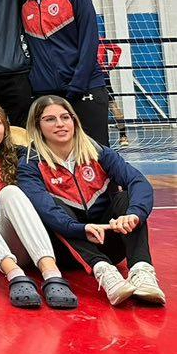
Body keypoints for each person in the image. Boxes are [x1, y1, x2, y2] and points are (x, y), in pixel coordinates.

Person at [20, 95, 164, 306]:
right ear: (37, 126)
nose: (60, 124)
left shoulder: (98, 153)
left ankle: (142, 271)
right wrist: (82, 228)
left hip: (109, 242)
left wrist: (134, 215)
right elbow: (46, 210)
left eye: (65, 117)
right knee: (53, 209)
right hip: (69, 250)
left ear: (74, 120)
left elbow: (138, 182)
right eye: (50, 119)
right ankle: (105, 273)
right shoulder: (30, 164)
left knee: (126, 198)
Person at [0, 100, 78, 309]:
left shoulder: (21, 155)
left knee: (11, 191)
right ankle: (15, 275)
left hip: (16, 244)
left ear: (6, 126)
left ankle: (52, 274)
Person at [15, 0, 108, 145]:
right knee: (54, 153)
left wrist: (78, 84)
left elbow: (90, 42)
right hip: (46, 93)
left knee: (95, 152)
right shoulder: (21, 3)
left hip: (85, 87)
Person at [97, 37, 130, 147]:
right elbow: (117, 49)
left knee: (111, 104)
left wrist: (111, 65)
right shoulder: (99, 39)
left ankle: (122, 135)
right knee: (111, 104)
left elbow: (117, 49)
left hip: (93, 73)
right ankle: (123, 136)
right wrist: (111, 65)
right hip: (99, 73)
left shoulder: (82, 39)